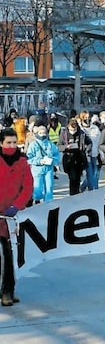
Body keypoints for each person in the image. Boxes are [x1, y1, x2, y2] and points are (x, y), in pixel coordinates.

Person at [0, 128, 33, 306]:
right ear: (1, 143)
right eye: (8, 143)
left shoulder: (22, 162)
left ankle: (8, 291)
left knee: (11, 255)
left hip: (12, 217)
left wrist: (17, 205)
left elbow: (28, 187)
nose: (12, 146)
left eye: (14, 142)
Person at [26, 125, 60, 204]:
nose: (42, 135)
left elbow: (57, 155)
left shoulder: (50, 145)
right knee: (37, 189)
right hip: (37, 170)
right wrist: (39, 161)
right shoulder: (33, 145)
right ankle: (37, 199)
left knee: (49, 187)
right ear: (37, 133)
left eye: (44, 133)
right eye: (40, 133)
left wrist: (52, 161)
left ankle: (48, 204)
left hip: (48, 169)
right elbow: (29, 158)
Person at [58, 119, 91, 195]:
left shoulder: (81, 133)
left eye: (75, 129)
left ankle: (76, 193)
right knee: (72, 178)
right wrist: (66, 147)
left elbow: (89, 143)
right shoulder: (64, 134)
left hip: (79, 158)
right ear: (68, 127)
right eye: (71, 129)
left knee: (78, 178)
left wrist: (85, 148)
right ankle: (72, 193)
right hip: (69, 158)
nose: (73, 131)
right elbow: (59, 146)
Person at [80, 115, 102, 192]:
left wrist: (100, 151)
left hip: (95, 153)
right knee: (90, 173)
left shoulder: (95, 128)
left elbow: (99, 141)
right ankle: (92, 190)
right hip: (86, 155)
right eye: (85, 117)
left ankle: (85, 188)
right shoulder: (80, 129)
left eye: (88, 117)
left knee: (94, 173)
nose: (87, 119)